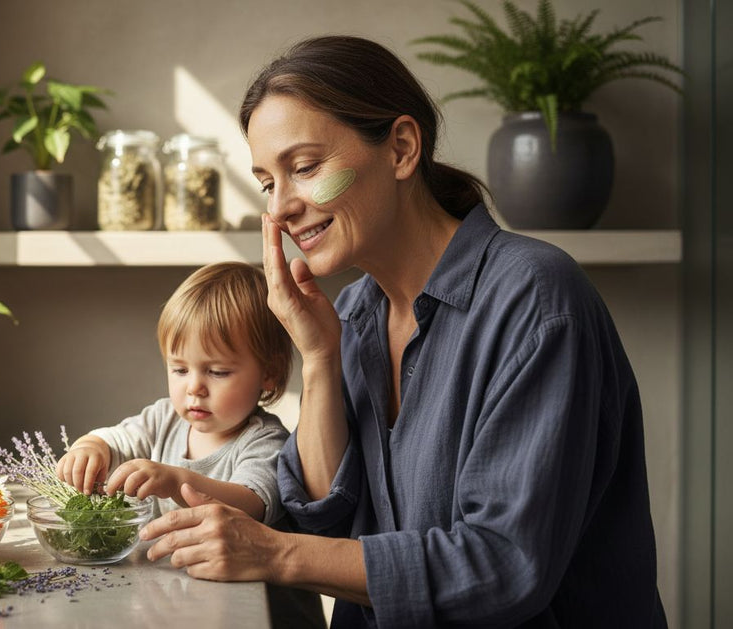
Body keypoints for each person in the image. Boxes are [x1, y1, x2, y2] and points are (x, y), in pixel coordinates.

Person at [139, 35, 666, 628]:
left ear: (401, 148)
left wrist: (274, 553)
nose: (281, 207)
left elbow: (503, 565)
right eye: (267, 183)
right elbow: (321, 520)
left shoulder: (538, 299)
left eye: (305, 168)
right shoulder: (356, 314)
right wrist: (316, 356)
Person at [56, 261, 294, 525]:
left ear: (269, 373)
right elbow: (117, 440)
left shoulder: (267, 441)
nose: (194, 388)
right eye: (180, 370)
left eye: (217, 372)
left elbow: (251, 504)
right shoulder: (164, 419)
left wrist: (177, 482)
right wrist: (90, 448)